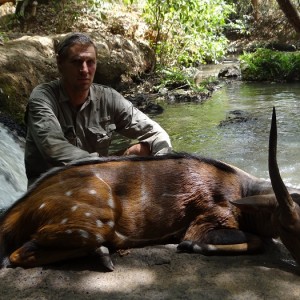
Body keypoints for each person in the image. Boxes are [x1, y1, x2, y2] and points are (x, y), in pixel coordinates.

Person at [25, 32, 172, 186]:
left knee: (144, 150)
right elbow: (53, 147)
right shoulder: (42, 98)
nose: (85, 70)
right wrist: (102, 165)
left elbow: (156, 133)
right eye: (76, 62)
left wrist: (163, 166)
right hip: (51, 187)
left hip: (97, 180)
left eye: (90, 62)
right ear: (60, 63)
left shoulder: (109, 98)